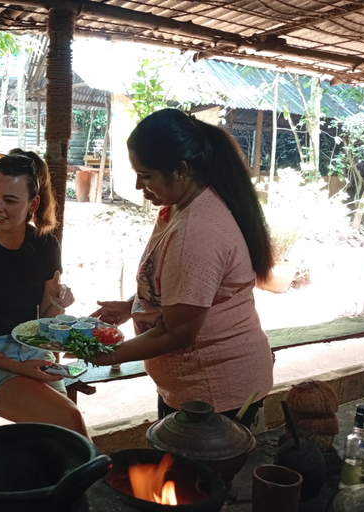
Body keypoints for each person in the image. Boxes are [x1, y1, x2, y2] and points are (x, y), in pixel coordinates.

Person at [91, 109, 274, 427]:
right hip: (197, 387)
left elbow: (180, 332)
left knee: (199, 477)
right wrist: (131, 308)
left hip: (215, 394)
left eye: (146, 175)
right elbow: (180, 291)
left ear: (180, 170)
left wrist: (109, 355)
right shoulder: (183, 205)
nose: (137, 185)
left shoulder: (196, 230)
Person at [0, 149, 89, 437]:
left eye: (10, 200)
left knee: (64, 431)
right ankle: (94, 481)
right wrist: (16, 367)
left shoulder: (45, 245)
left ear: (33, 203)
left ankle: (73, 480)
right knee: (68, 419)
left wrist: (58, 305)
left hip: (31, 353)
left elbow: (43, 321)